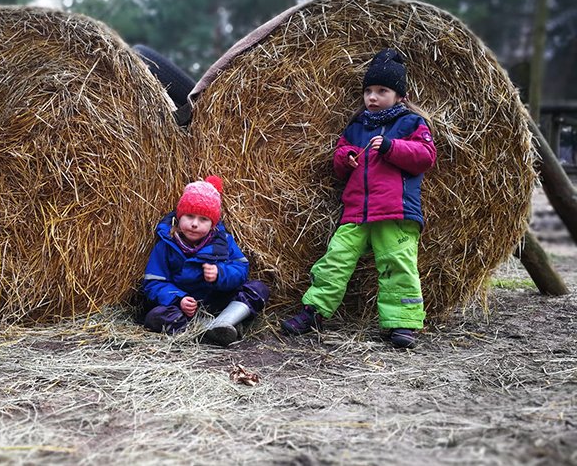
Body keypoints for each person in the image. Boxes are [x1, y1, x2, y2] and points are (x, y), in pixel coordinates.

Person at [281, 49, 437, 349]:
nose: (373, 97)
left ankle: (403, 323)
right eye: (368, 91)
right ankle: (313, 311)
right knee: (334, 261)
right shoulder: (356, 127)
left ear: (400, 96)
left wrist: (391, 147)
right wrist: (346, 158)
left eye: (382, 91)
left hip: (395, 212)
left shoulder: (411, 124)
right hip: (356, 212)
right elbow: (339, 157)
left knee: (397, 265)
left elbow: (425, 157)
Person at [141, 175, 269, 347]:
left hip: (218, 302)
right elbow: (153, 282)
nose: (195, 224)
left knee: (258, 289)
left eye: (203, 219)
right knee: (155, 316)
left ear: (213, 224)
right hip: (184, 310)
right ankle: (204, 331)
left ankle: (223, 323)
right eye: (189, 216)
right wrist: (179, 299)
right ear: (179, 218)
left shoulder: (223, 242)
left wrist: (220, 274)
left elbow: (241, 269)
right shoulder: (166, 245)